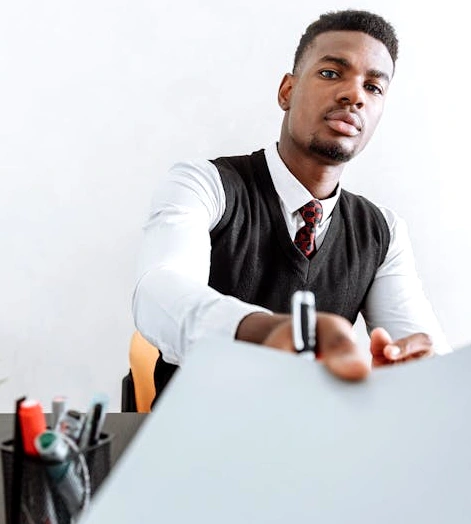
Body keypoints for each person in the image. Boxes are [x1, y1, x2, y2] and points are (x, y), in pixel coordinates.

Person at [132, 9, 450, 400]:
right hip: (199, 436)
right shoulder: (203, 184)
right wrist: (267, 333)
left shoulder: (384, 231)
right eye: (332, 73)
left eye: (374, 87)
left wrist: (405, 377)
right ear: (287, 91)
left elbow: (426, 354)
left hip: (315, 444)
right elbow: (158, 293)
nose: (354, 95)